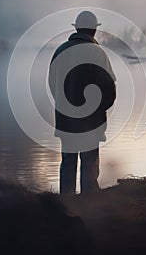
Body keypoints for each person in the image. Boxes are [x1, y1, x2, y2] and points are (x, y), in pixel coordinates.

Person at [48, 11, 116, 195]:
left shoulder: (60, 51)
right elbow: (109, 89)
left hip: (65, 119)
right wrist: (100, 110)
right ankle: (90, 202)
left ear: (77, 28)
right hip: (91, 121)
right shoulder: (97, 53)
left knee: (68, 162)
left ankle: (66, 201)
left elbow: (52, 85)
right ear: (94, 30)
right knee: (89, 162)